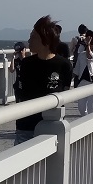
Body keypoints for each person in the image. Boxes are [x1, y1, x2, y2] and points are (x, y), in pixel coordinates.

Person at [15, 15, 73, 145]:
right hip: (26, 125)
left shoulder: (63, 65)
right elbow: (21, 92)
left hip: (51, 125)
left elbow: (65, 94)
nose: (29, 40)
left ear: (45, 41)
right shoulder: (26, 64)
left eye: (33, 37)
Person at [75, 31, 93, 116]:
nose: (90, 45)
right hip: (83, 81)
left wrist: (88, 45)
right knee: (81, 107)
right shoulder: (81, 55)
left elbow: (89, 56)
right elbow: (77, 69)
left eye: (92, 43)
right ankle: (86, 121)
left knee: (91, 106)